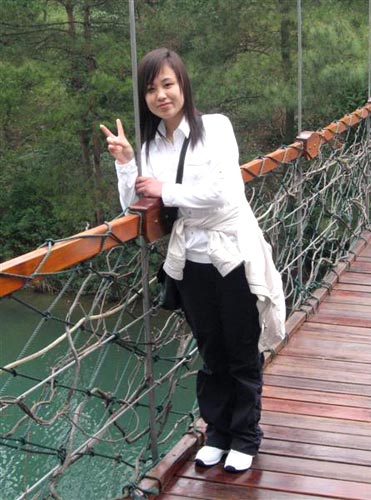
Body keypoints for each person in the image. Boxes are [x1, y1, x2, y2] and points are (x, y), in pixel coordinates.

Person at [100, 48, 286, 473]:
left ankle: (245, 435)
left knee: (241, 350)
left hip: (232, 254)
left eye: (167, 84)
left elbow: (223, 191)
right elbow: (134, 206)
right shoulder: (150, 147)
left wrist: (165, 190)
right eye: (151, 89)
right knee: (211, 350)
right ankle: (217, 433)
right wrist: (127, 163)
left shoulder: (216, 128)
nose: (161, 95)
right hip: (191, 261)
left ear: (183, 83)